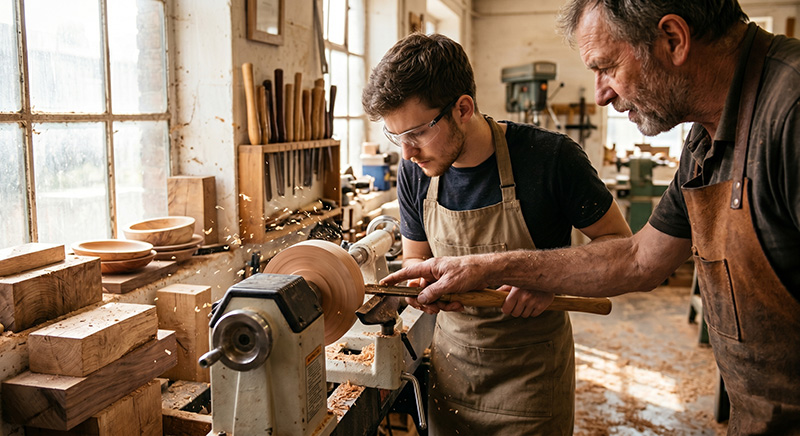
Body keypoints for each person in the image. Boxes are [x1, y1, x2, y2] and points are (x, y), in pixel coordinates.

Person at [381, 1, 800, 434]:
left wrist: (505, 272)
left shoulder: (791, 110)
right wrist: (497, 271)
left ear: (673, 39)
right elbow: (641, 260)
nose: (601, 93)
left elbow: (624, 251)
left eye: (607, 67)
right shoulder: (705, 140)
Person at [362, 33, 631, 435]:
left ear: (463, 108)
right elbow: (417, 256)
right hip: (453, 377)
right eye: (395, 136)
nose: (407, 152)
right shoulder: (414, 172)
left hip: (532, 383)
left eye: (416, 133)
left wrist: (549, 281)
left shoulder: (550, 159)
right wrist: (422, 280)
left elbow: (622, 250)